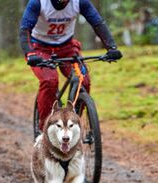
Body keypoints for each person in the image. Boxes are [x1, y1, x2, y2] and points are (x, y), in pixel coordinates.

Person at [20, 0, 122, 130]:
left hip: (67, 47)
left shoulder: (80, 2)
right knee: (50, 81)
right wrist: (30, 53)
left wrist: (111, 47)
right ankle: (45, 129)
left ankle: (73, 123)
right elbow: (25, 30)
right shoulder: (38, 3)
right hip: (40, 48)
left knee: (83, 81)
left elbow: (98, 23)